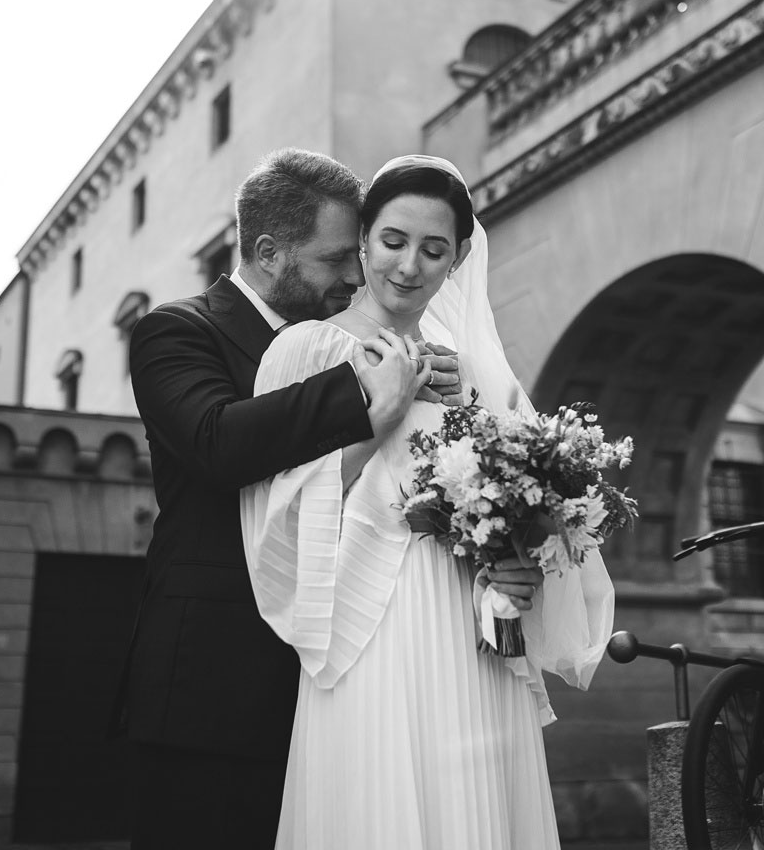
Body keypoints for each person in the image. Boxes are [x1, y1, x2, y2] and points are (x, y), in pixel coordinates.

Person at [241, 155, 615, 850]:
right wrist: (381, 408)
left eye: (433, 249)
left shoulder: (464, 368)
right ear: (362, 242)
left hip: (472, 635)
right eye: (393, 241)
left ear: (457, 259)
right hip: (372, 629)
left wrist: (514, 561)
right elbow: (278, 515)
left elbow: (514, 499)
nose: (409, 266)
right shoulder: (302, 349)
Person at [124, 148, 492, 849]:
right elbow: (216, 444)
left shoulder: (400, 351)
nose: (356, 274)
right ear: (269, 252)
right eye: (334, 259)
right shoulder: (179, 331)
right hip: (213, 683)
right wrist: (367, 387)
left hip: (339, 685)